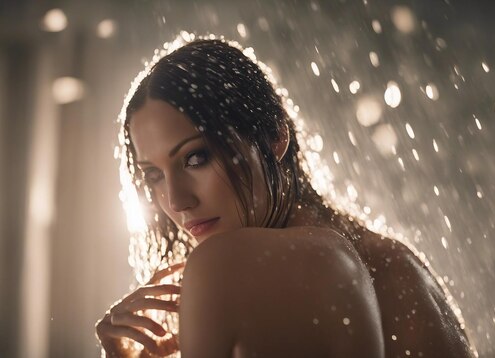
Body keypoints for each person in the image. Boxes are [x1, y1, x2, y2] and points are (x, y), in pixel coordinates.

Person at [96, 35, 473, 357]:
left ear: (274, 138)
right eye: (154, 175)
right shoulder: (392, 262)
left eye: (196, 157)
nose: (176, 200)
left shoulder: (227, 264)